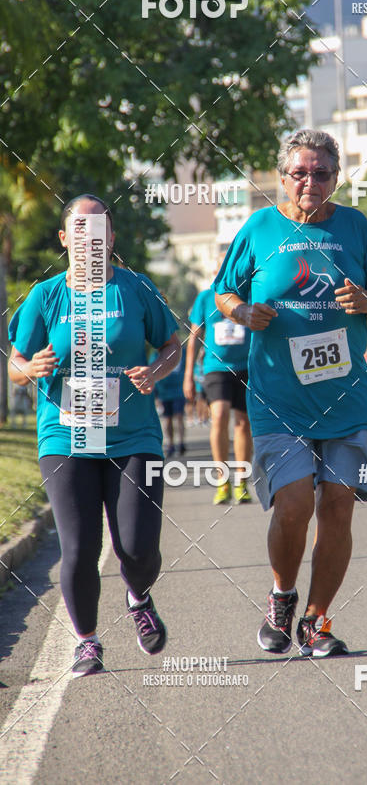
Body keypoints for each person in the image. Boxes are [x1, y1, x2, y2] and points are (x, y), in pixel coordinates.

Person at [214, 128, 367, 657]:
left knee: (338, 503)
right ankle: (282, 596)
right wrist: (242, 311)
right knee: (295, 503)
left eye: (322, 173)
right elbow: (222, 290)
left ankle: (316, 621)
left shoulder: (355, 227)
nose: (310, 182)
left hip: (347, 395)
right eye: (300, 173)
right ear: (282, 177)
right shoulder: (259, 228)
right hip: (279, 397)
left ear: (336, 177)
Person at [8, 194, 181, 677]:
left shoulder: (136, 288)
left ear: (111, 238)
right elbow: (16, 362)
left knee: (138, 548)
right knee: (80, 549)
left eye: (99, 229)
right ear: (65, 240)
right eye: (79, 230)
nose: (90, 239)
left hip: (133, 437)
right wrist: (30, 367)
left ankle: (138, 594)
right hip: (65, 437)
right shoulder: (45, 296)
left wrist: (157, 370)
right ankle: (86, 640)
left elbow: (172, 345)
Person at [184, 265, 252, 505]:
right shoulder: (205, 298)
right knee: (220, 415)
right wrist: (188, 375)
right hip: (216, 367)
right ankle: (222, 481)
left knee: (244, 423)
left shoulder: (249, 294)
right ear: (215, 272)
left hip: (246, 366)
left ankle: (242, 482)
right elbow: (194, 339)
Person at [153, 344, 187, 457]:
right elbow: (152, 373)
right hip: (164, 393)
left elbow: (188, 369)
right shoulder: (155, 355)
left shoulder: (183, 353)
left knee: (179, 417)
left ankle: (181, 443)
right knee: (167, 419)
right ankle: (170, 444)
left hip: (179, 391)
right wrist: (156, 392)